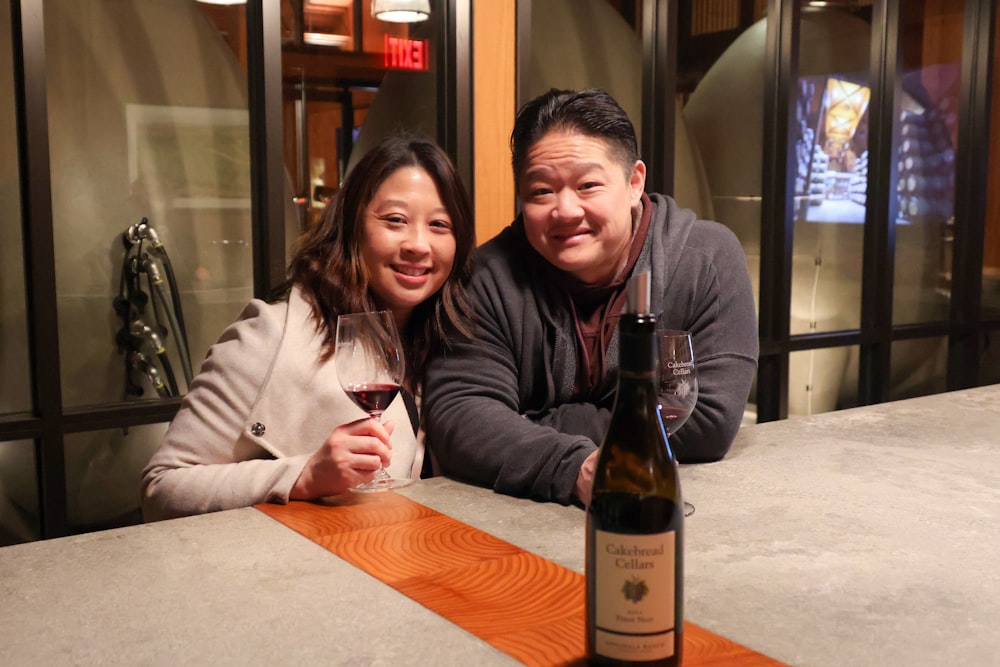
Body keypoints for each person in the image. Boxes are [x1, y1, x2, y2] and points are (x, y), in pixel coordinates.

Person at [422, 88, 758, 507]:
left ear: (634, 182)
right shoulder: (488, 277)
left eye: (587, 185)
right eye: (541, 191)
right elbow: (462, 417)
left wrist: (540, 422)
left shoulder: (704, 260)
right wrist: (572, 465)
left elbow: (708, 421)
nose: (564, 210)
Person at [140, 133, 475, 522]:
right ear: (352, 224)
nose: (418, 244)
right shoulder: (270, 336)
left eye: (439, 224)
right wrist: (304, 474)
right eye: (395, 220)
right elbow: (160, 486)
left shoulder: (453, 339)